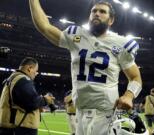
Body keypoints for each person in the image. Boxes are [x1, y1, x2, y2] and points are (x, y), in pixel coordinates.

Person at [29, 1, 142, 135]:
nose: (97, 14)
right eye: (94, 11)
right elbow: (45, 27)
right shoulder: (76, 35)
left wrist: (129, 95)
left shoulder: (121, 44)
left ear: (111, 20)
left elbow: (136, 78)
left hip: (105, 114)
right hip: (80, 113)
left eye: (102, 11)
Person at [0, 57, 55, 135]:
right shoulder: (23, 79)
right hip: (20, 129)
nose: (36, 74)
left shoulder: (13, 78)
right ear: (29, 68)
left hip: (12, 128)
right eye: (35, 71)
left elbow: (22, 103)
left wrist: (37, 107)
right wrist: (46, 100)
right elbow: (32, 102)